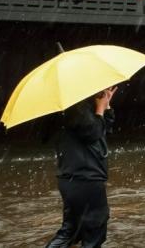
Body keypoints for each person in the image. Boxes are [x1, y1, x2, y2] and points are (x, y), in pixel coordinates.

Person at [46, 86, 117, 248]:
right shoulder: (76, 108)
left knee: (71, 231)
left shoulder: (75, 109)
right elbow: (92, 133)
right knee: (95, 231)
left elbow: (103, 132)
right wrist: (100, 109)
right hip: (85, 179)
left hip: (73, 179)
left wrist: (106, 106)